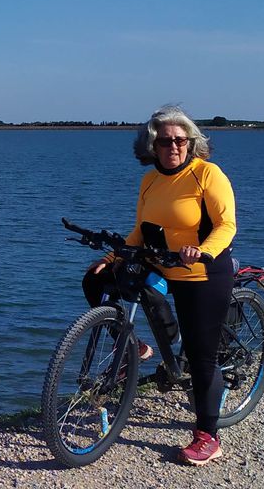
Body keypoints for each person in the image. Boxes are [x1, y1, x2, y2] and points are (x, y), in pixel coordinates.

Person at [82, 105, 237, 466]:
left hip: (202, 271)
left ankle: (208, 435)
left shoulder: (207, 175)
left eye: (180, 140)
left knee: (202, 358)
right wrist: (115, 257)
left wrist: (203, 252)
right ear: (152, 145)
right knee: (97, 281)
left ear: (191, 142)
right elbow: (143, 229)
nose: (173, 146)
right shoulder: (150, 179)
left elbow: (226, 226)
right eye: (164, 141)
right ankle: (134, 345)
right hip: (161, 263)